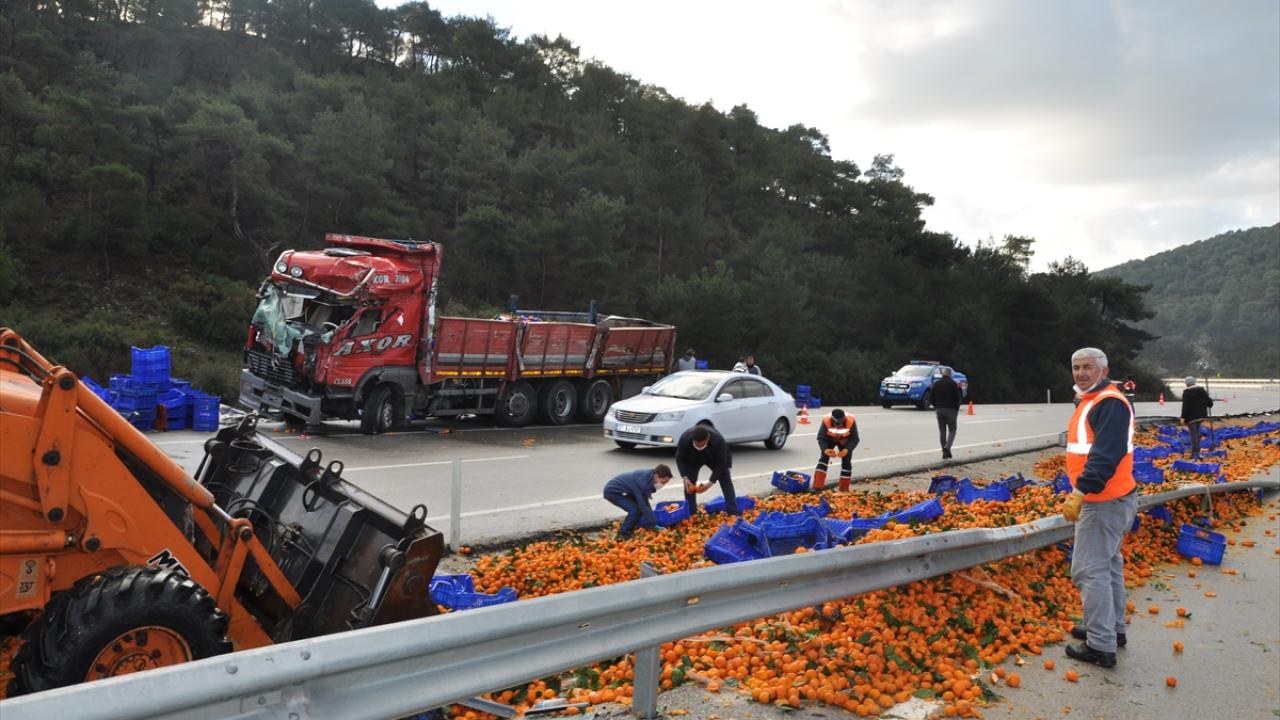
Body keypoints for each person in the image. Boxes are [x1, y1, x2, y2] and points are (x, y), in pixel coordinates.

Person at [1061, 347, 1138, 670]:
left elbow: (1105, 456)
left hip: (1103, 500)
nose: (1081, 373)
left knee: (1089, 571)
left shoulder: (1108, 403)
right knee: (1108, 566)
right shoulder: (1095, 400)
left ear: (1103, 371)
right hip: (1113, 496)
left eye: (1088, 367)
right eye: (1076, 367)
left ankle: (1100, 644)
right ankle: (1112, 629)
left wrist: (1080, 491)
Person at [675, 425, 738, 515]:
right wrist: (685, 477)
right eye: (696, 444)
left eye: (702, 444)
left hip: (713, 457)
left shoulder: (718, 440)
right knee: (689, 483)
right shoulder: (685, 438)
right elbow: (679, 458)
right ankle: (691, 513)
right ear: (692, 439)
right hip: (693, 458)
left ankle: (733, 512)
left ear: (708, 438)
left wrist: (710, 483)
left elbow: (722, 462)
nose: (699, 446)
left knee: (725, 478)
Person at [603, 464, 674, 540]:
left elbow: (645, 503)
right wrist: (653, 524)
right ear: (656, 476)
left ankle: (630, 529)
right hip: (613, 492)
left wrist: (653, 521)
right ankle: (622, 534)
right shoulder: (642, 483)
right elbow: (643, 505)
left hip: (625, 491)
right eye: (663, 482)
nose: (663, 485)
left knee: (639, 509)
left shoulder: (648, 478)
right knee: (635, 510)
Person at [812, 408, 860, 491]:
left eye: (841, 423)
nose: (838, 426)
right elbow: (821, 437)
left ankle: (844, 489)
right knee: (823, 458)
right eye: (837, 424)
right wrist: (825, 449)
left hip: (845, 440)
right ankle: (817, 486)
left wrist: (847, 449)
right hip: (830, 439)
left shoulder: (851, 421)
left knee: (846, 462)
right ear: (832, 420)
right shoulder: (826, 420)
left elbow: (855, 439)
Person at [1179, 376, 1214, 460]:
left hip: (1191, 417)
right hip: (1201, 416)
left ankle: (1195, 454)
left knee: (1194, 435)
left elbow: (1185, 406)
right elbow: (1210, 403)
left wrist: (1183, 417)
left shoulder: (1187, 392)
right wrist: (1208, 400)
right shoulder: (1201, 390)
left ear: (1186, 384)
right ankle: (1196, 452)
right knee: (1196, 433)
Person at [931, 368, 962, 459]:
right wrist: (956, 409)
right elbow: (957, 398)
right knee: (952, 431)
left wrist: (936, 406)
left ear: (943, 374)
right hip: (951, 410)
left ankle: (944, 451)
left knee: (942, 431)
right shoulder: (953, 384)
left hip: (939, 410)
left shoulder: (936, 383)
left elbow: (931, 397)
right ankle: (947, 449)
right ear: (950, 375)